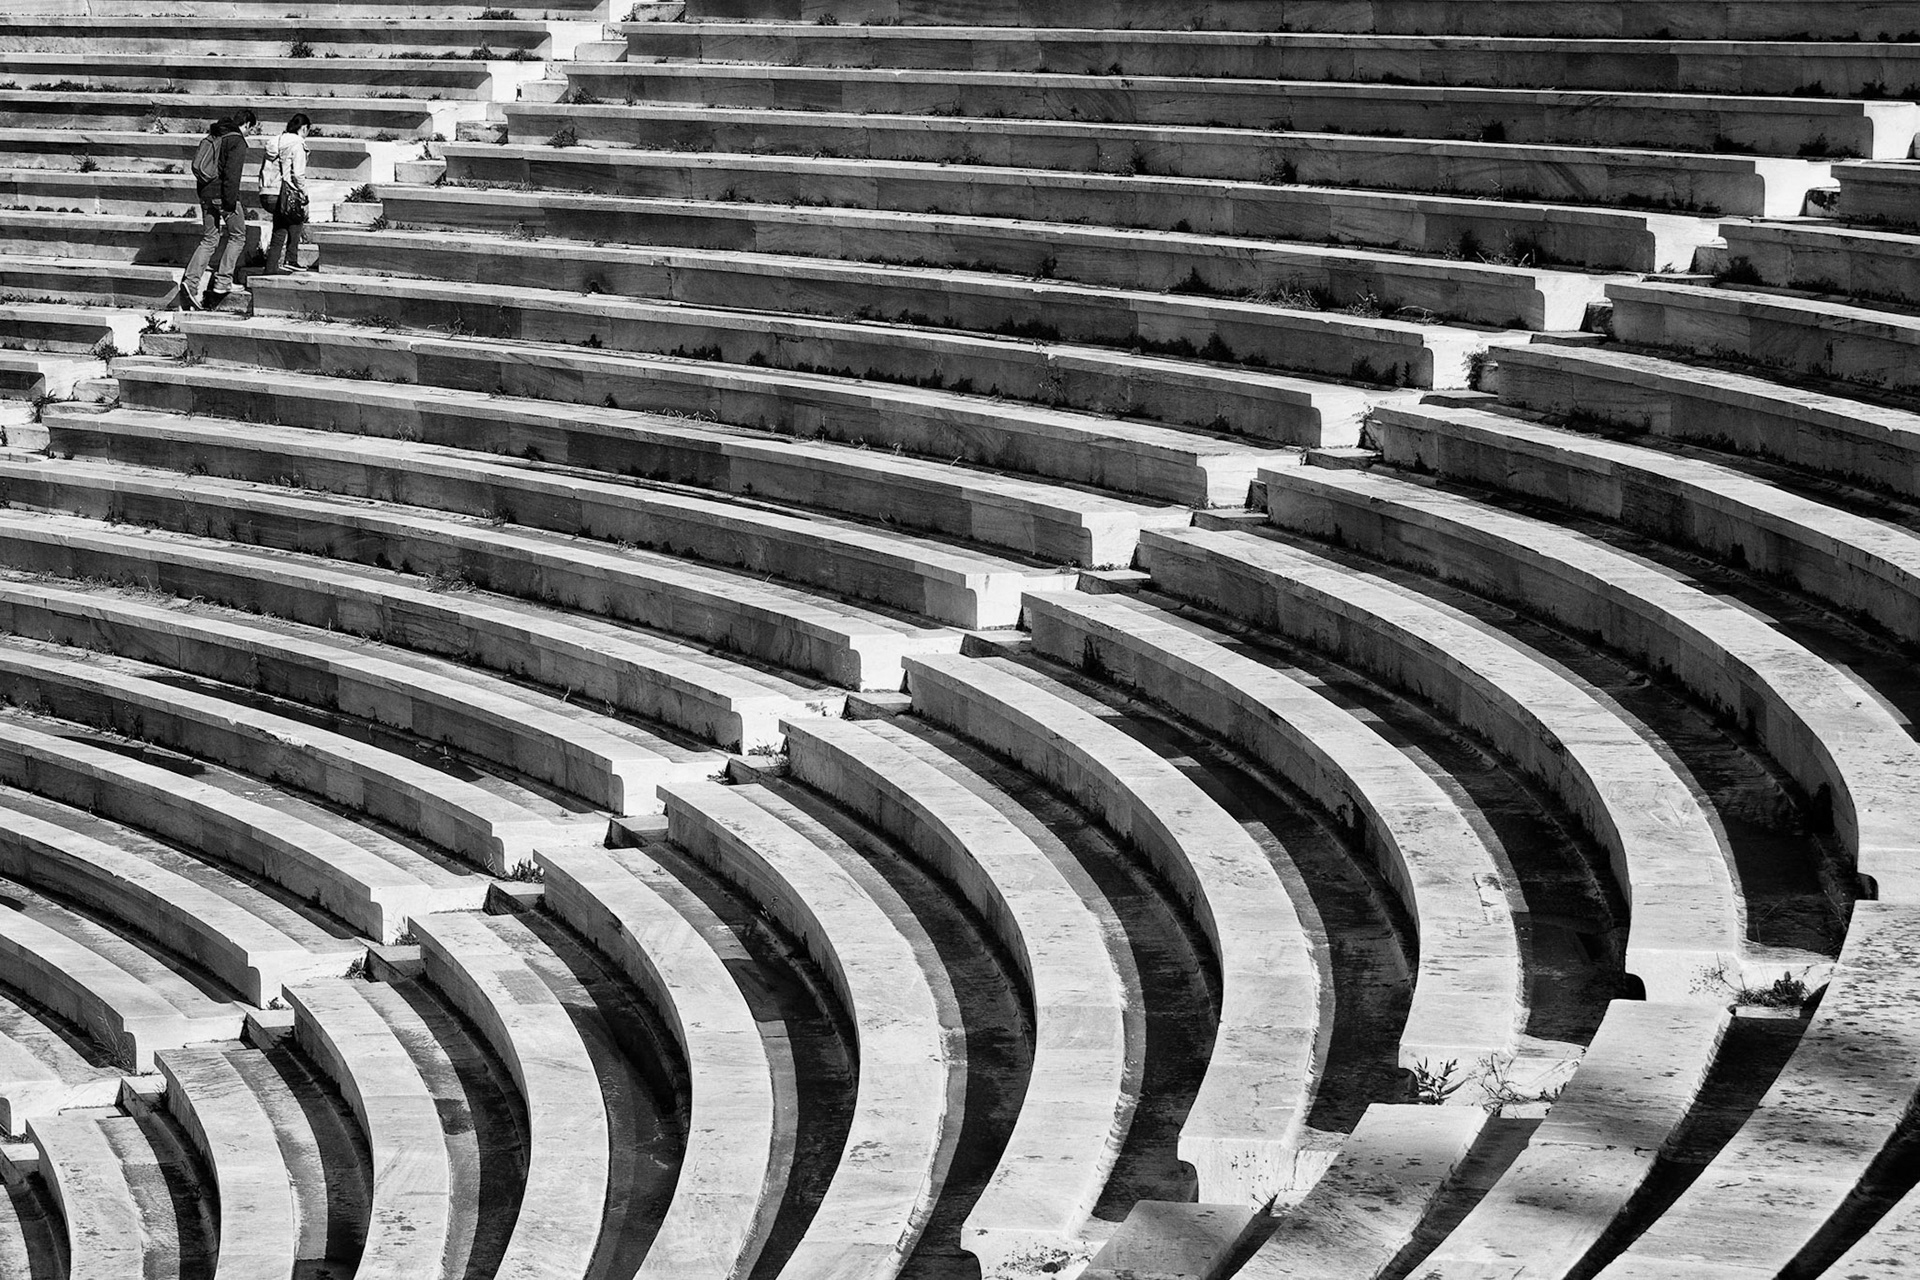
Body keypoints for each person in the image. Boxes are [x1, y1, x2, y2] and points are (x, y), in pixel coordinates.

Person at [176, 108, 257, 311]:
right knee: (238, 235)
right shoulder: (236, 140)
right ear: (246, 124)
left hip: (205, 194)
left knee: (210, 238)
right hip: (224, 196)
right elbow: (232, 175)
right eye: (251, 129)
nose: (249, 133)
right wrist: (229, 204)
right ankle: (222, 282)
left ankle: (191, 282)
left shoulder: (215, 135)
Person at [259, 113, 312, 275]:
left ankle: (271, 267)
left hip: (266, 193)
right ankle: (291, 259)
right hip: (284, 194)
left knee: (280, 228)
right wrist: (304, 195)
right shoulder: (297, 144)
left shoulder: (274, 141)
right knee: (297, 216)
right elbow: (298, 175)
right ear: (304, 128)